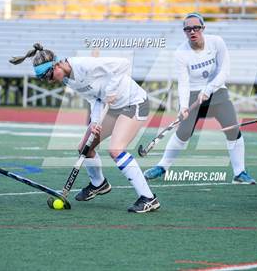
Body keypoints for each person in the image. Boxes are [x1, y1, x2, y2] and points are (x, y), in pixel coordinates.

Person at [10, 43, 160, 213]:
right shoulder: (67, 79)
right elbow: (94, 98)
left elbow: (123, 64)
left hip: (133, 103)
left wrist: (111, 90)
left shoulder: (83, 65)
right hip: (110, 108)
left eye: (49, 76)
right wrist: (95, 122)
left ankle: (148, 198)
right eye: (45, 79)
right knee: (85, 147)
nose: (50, 81)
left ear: (56, 64)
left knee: (116, 150)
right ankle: (99, 184)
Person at [144, 12, 255, 184]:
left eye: (196, 28)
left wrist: (209, 89)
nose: (192, 32)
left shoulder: (216, 42)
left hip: (217, 91)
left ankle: (239, 173)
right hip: (193, 94)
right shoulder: (181, 53)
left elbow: (224, 71)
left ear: (203, 28)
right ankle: (162, 166)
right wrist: (183, 106)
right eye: (188, 29)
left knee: (232, 129)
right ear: (184, 32)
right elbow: (183, 83)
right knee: (183, 133)